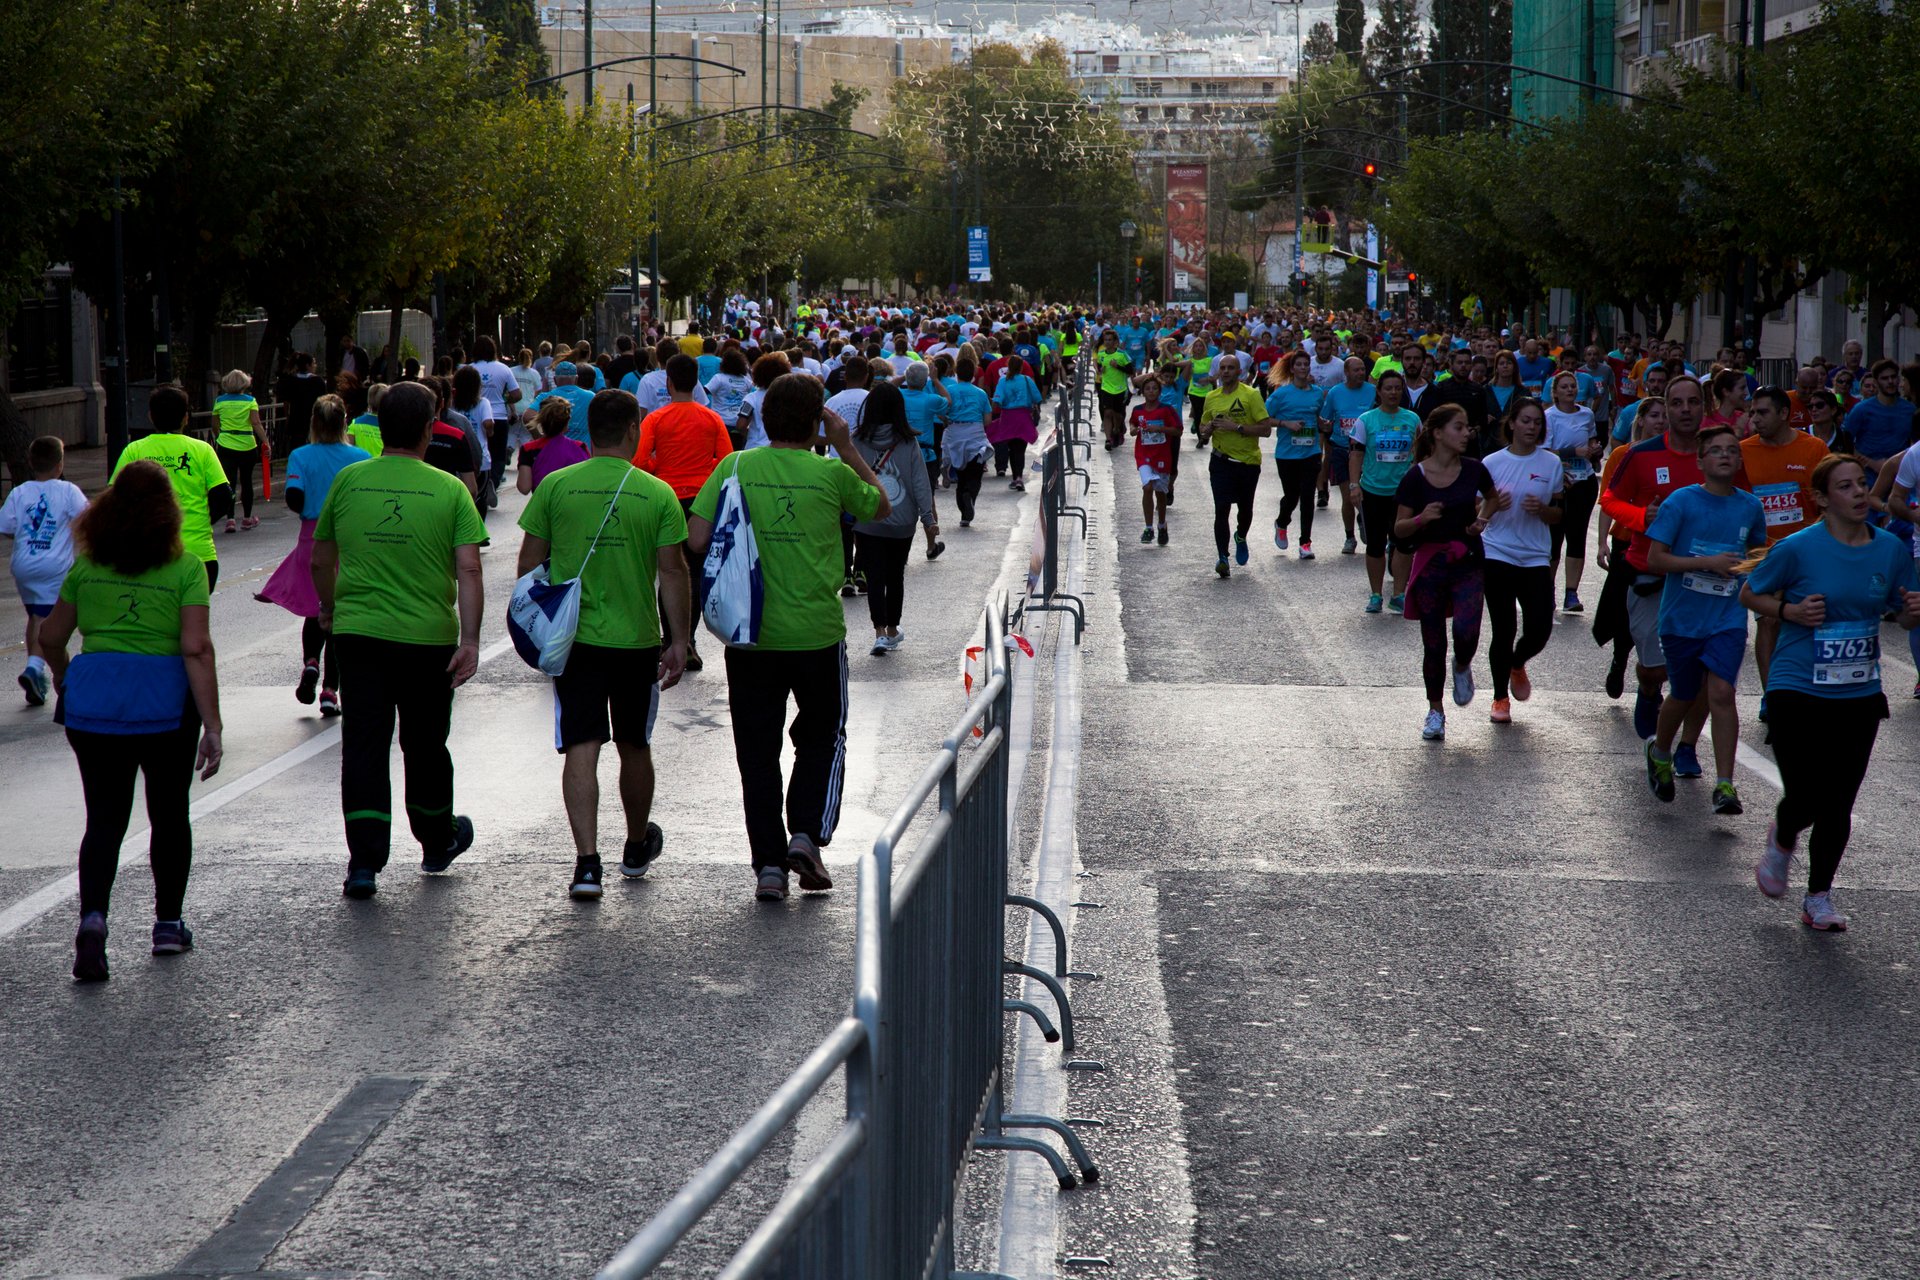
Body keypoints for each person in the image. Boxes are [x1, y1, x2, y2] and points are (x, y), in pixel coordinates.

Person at [687, 374, 888, 903]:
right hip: (818, 635)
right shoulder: (830, 473)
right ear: (817, 421)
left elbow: (697, 536)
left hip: (749, 636)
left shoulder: (734, 466)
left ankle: (769, 868)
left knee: (756, 752)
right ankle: (806, 835)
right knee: (822, 737)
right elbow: (882, 505)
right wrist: (845, 446)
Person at [38, 460, 223, 980]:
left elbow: (51, 638)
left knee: (104, 821)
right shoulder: (185, 568)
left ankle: (94, 921)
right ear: (169, 513)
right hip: (163, 707)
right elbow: (196, 647)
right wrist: (212, 724)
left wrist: (66, 676)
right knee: (168, 814)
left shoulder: (87, 566)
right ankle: (167, 924)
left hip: (93, 705)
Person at [311, 381, 488, 900]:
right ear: (430, 430)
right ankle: (436, 839)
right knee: (425, 743)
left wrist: (330, 608)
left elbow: (321, 558)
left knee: (364, 745)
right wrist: (471, 639)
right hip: (428, 640)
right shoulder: (450, 490)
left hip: (359, 635)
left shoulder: (348, 482)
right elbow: (470, 569)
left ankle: (364, 863)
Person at [516, 389, 690, 899]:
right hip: (636, 640)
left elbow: (529, 564)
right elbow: (673, 571)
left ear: (587, 433)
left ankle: (586, 865)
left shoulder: (556, 487)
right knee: (635, 744)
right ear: (634, 431)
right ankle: (636, 847)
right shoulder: (655, 493)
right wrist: (679, 641)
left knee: (582, 744)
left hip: (574, 642)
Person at [1743, 454, 1920, 931]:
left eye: (1862, 484)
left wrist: (1912, 611)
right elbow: (1751, 594)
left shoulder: (1889, 550)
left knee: (1839, 799)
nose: (1860, 493)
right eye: (1846, 487)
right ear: (1821, 499)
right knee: (1805, 794)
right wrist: (1790, 612)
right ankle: (1783, 835)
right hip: (1797, 685)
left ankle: (1818, 897)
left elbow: (1903, 614)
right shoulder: (1798, 549)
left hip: (1858, 691)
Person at [1640, 421, 1767, 815]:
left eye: (1732, 449)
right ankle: (1660, 751)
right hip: (1682, 618)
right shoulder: (1681, 502)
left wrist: (1747, 568)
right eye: (1716, 450)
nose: (1726, 455)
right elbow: (1655, 558)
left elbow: (1759, 554)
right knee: (1683, 693)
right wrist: (1707, 562)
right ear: (1700, 461)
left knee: (1721, 693)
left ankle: (1725, 784)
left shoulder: (1750, 506)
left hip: (1727, 616)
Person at [1601, 375, 1718, 748]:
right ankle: (1649, 689)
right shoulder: (1642, 454)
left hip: (1703, 578)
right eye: (1677, 403)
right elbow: (1609, 500)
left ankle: (1685, 748)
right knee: (1655, 669)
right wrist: (1641, 517)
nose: (1685, 410)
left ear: (1704, 407)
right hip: (1651, 574)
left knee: (1703, 673)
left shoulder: (1720, 454)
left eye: (1693, 402)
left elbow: (1745, 502)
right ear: (1665, 410)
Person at [257, 394, 368, 717]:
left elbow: (293, 496)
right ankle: (331, 691)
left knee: (314, 610)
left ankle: (309, 663)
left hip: (312, 538)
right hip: (347, 539)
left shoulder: (300, 456)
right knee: (337, 612)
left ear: (314, 424)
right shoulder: (360, 456)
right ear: (344, 421)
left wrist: (309, 510)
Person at [1392, 406, 1499, 741]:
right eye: (1459, 427)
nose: (1467, 433)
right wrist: (1423, 518)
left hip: (1467, 560)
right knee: (1434, 643)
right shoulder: (1415, 477)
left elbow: (1492, 499)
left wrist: (1481, 519)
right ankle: (1435, 711)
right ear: (1438, 433)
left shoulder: (1474, 470)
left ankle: (1463, 663)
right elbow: (1399, 529)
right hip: (1430, 567)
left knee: (1467, 632)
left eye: (1468, 427)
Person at [634, 354, 732, 673]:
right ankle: (688, 641)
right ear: (697, 384)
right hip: (702, 502)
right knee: (697, 573)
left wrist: (660, 468)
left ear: (669, 383)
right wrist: (705, 471)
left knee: (671, 571)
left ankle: (670, 641)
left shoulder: (656, 419)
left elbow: (638, 460)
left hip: (666, 500)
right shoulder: (711, 418)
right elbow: (727, 460)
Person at [1737, 386, 1828, 701]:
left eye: (1762, 412)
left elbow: (1827, 502)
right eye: (1752, 412)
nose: (1755, 419)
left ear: (1784, 414)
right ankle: (1772, 697)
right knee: (1770, 622)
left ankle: (1805, 689)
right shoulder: (1743, 452)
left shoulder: (1814, 449)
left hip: (1807, 554)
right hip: (1764, 555)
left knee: (1809, 624)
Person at [1480, 399, 1564, 723]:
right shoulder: (1491, 462)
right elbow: (1477, 513)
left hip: (1535, 556)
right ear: (1512, 423)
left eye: (1537, 423)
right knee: (1503, 627)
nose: (1532, 427)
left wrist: (1542, 511)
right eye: (1526, 421)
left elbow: (1559, 514)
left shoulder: (1551, 464)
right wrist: (1492, 506)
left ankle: (1517, 662)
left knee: (1540, 626)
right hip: (1497, 551)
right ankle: (1500, 698)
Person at [848, 382, 941, 654]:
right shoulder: (908, 441)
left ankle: (878, 632)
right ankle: (892, 629)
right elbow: (920, 483)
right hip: (902, 520)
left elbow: (848, 478)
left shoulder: (856, 441)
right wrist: (928, 518)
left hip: (868, 518)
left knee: (874, 576)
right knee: (895, 575)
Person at [111, 385, 233, 589]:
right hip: (198, 556)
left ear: (150, 416)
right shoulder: (202, 450)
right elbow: (223, 496)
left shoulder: (134, 451)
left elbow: (114, 499)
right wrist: (203, 520)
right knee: (194, 619)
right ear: (186, 417)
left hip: (149, 554)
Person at [1, 436, 88, 705]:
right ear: (59, 464)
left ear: (30, 462)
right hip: (54, 566)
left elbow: (6, 527)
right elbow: (87, 520)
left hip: (24, 565)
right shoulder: (68, 491)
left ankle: (36, 670)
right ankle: (37, 670)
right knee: (48, 622)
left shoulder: (20, 492)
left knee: (36, 616)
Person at [1349, 367, 1420, 611]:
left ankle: (1399, 593)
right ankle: (1376, 594)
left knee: (1404, 543)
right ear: (1378, 391)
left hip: (1404, 494)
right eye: (1387, 388)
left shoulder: (1412, 419)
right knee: (1376, 544)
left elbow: (1419, 454)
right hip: (1373, 490)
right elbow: (1356, 454)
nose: (1393, 393)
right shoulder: (1366, 420)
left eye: (1397, 389)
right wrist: (1353, 485)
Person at [1200, 354, 1274, 579]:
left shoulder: (1251, 395)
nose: (1225, 372)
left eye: (1230, 368)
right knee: (1221, 509)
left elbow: (1266, 429)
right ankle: (1223, 557)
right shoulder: (1211, 397)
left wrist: (1237, 427)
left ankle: (1241, 536)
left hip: (1247, 462)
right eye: (1222, 368)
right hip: (1220, 461)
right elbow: (1202, 428)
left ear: (1239, 371)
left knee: (1245, 509)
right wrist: (1209, 429)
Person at [1545, 370, 1603, 613]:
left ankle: (1572, 593)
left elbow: (1591, 442)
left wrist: (1595, 449)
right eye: (1565, 387)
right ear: (1555, 392)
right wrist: (1572, 452)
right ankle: (1547, 593)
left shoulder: (1587, 414)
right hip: (1559, 483)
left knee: (1577, 536)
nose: (1570, 390)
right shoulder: (1548, 416)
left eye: (1573, 386)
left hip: (1584, 482)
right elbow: (1544, 452)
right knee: (1554, 539)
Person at [1265, 352, 1325, 560]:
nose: (1302, 368)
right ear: (1291, 369)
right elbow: (1264, 418)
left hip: (1311, 452)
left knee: (1308, 496)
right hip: (1287, 454)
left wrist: (1322, 424)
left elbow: (1318, 416)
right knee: (1292, 496)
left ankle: (1305, 543)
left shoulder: (1317, 393)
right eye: (1298, 364)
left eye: (1305, 364)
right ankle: (1282, 523)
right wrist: (1284, 423)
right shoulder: (1281, 394)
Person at [1319, 355, 1374, 556]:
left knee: (1366, 494)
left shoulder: (1372, 392)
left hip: (1366, 452)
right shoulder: (1335, 393)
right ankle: (1350, 537)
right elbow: (1325, 419)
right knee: (1348, 496)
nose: (1361, 373)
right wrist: (1325, 426)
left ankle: (1364, 518)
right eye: (1356, 370)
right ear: (1346, 373)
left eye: (1363, 369)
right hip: (1342, 450)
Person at [212, 369, 269, 532]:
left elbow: (215, 424)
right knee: (247, 481)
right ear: (245, 384)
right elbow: (256, 423)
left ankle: (230, 519)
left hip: (226, 445)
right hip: (247, 445)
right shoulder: (250, 401)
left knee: (229, 482)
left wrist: (219, 437)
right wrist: (265, 441)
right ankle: (246, 518)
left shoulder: (219, 401)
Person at [942, 356, 996, 528]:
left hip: (955, 433)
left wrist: (948, 421)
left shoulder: (948, 390)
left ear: (957, 373)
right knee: (975, 473)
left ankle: (964, 511)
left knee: (961, 475)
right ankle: (969, 498)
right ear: (973, 374)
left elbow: (940, 412)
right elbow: (988, 420)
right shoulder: (980, 394)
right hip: (975, 434)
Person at [1131, 374, 1181, 545]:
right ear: (1143, 392)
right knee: (1147, 488)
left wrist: (1159, 428)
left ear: (1159, 391)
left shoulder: (1166, 410)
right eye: (1147, 389)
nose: (1151, 391)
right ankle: (1148, 528)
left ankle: (1161, 525)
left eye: (1154, 388)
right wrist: (1133, 429)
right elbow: (1132, 424)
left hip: (1162, 455)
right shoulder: (1138, 410)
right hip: (1143, 454)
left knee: (1160, 492)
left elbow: (1177, 430)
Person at [468, 336, 523, 493]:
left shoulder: (469, 369)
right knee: (498, 453)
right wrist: (505, 399)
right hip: (498, 416)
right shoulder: (503, 369)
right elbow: (517, 394)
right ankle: (493, 481)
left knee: (475, 450)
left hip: (474, 417)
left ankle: (478, 481)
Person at [989, 354, 1043, 494]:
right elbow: (1037, 397)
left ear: (1008, 366)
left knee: (1012, 449)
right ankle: (1018, 477)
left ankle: (1016, 477)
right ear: (1021, 367)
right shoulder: (1026, 380)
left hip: (1008, 417)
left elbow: (997, 401)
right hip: (1023, 417)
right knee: (1020, 449)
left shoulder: (1003, 380)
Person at [1094, 329, 1133, 449]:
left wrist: (1118, 366)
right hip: (1106, 388)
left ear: (1115, 341)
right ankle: (1108, 439)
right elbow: (1100, 368)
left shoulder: (1122, 354)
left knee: (1118, 415)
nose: (1107, 342)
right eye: (1105, 340)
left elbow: (1131, 371)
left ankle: (1116, 429)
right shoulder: (1101, 354)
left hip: (1120, 389)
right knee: (1107, 413)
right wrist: (1100, 370)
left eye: (1110, 340)